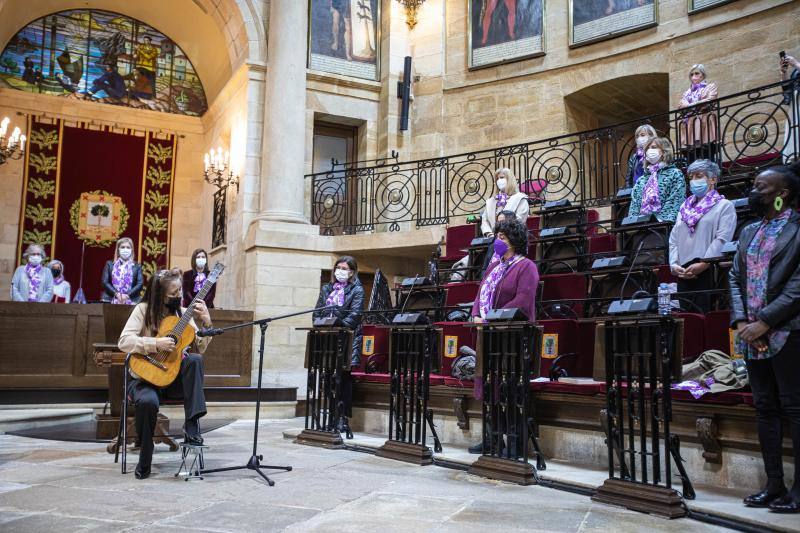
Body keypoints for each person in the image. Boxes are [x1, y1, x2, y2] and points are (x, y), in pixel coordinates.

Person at [729, 162, 800, 514]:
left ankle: (799, 490)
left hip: (789, 331)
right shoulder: (749, 231)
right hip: (751, 334)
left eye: (760, 186)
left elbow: (798, 285)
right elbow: (734, 276)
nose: (754, 191)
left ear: (781, 194)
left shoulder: (798, 229)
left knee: (795, 408)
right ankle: (774, 484)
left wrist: (765, 322)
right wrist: (743, 320)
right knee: (765, 407)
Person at [118, 268, 211, 479]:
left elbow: (201, 346)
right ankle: (145, 454)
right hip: (145, 380)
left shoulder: (183, 314)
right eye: (173, 292)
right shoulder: (143, 310)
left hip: (173, 380)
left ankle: (192, 426)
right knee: (148, 403)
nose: (179, 295)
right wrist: (154, 343)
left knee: (195, 360)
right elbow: (123, 342)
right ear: (160, 294)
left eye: (180, 290)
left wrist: (207, 321)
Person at [668, 160, 736, 313]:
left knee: (706, 315)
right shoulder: (684, 207)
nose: (693, 181)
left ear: (713, 179)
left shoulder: (724, 205)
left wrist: (704, 263)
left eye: (699, 176)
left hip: (709, 270)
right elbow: (674, 239)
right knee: (688, 320)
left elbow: (722, 238)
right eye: (691, 177)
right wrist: (674, 264)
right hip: (683, 271)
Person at [313, 256, 364, 424]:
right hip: (326, 339)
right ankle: (331, 413)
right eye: (338, 267)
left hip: (346, 339)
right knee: (327, 378)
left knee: (343, 380)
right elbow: (317, 313)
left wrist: (338, 325)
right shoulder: (327, 288)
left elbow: (355, 315)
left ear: (352, 272)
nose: (341, 271)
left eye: (345, 268)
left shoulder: (357, 290)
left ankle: (342, 417)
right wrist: (321, 325)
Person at [471, 218, 539, 323]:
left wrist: (493, 317)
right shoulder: (493, 266)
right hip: (486, 328)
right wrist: (476, 316)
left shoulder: (527, 266)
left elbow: (523, 300)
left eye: (502, 238)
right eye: (497, 237)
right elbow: (480, 293)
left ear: (514, 241)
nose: (497, 242)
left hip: (513, 329)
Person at [627, 137, 686, 223]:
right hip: (641, 228)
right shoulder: (641, 180)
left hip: (664, 227)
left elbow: (675, 200)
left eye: (654, 147)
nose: (649, 151)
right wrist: (634, 224)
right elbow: (634, 205)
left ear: (664, 151)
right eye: (647, 148)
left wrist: (660, 222)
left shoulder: (675, 174)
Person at [678, 64, 719, 162]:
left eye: (697, 73)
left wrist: (692, 105)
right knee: (691, 154)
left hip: (704, 121)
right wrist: (694, 106)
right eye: (691, 74)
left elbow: (710, 99)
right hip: (690, 124)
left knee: (707, 151)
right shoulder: (687, 92)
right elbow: (681, 105)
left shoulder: (710, 87)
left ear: (703, 75)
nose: (694, 76)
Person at [481, 168, 529, 237]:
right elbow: (485, 220)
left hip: (513, 238)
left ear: (509, 179)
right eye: (497, 179)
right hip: (493, 240)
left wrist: (504, 234)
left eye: (502, 177)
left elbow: (520, 220)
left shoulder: (520, 198)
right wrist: (489, 234)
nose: (499, 181)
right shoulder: (491, 201)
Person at [101, 237, 144, 304]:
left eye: (128, 247)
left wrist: (127, 295)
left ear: (132, 250)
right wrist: (117, 294)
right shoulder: (110, 264)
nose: (125, 249)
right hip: (110, 299)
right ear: (118, 249)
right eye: (122, 247)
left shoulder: (137, 266)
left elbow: (140, 284)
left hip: (132, 300)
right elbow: (105, 282)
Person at [624, 124, 658, 188]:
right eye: (637, 136)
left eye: (642, 135)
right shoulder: (634, 157)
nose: (639, 138)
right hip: (636, 192)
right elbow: (628, 180)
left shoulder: (656, 153)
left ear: (651, 136)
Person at [781, 52, 799, 164]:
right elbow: (787, 88)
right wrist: (784, 72)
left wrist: (796, 63)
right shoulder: (796, 71)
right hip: (796, 104)